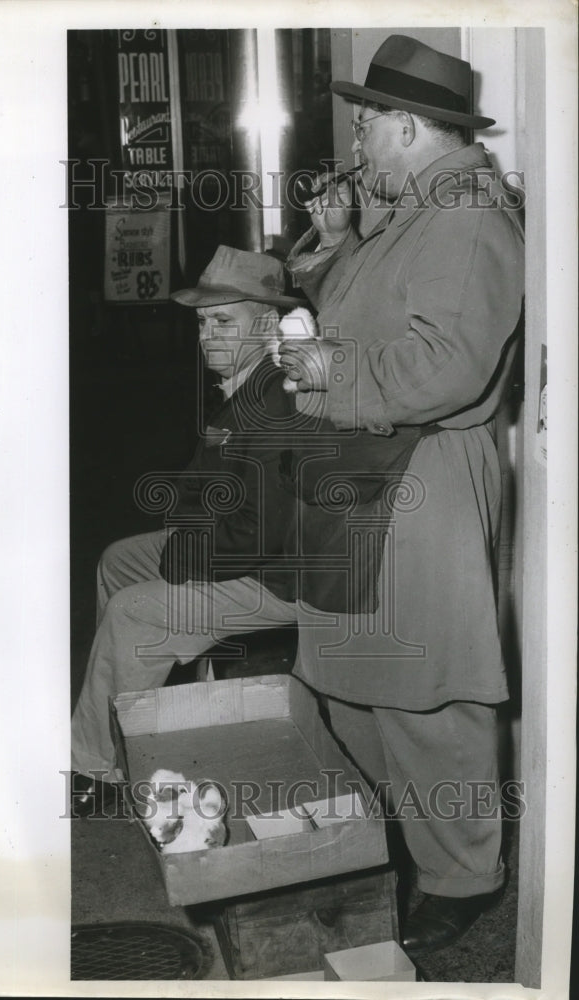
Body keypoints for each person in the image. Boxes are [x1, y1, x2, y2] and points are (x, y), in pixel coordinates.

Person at [277, 34, 525, 953]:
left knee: (425, 694)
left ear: (412, 126)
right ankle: (397, 853)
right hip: (373, 468)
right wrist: (334, 254)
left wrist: (324, 366)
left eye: (369, 120)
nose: (359, 138)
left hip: (420, 473)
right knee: (360, 681)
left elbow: (446, 367)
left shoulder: (463, 216)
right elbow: (374, 313)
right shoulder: (419, 209)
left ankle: (463, 879)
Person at [69, 245, 304, 817]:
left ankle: (95, 769)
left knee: (132, 609)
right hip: (235, 549)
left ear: (269, 324)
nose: (207, 334)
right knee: (119, 560)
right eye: (202, 321)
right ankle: (140, 715)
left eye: (224, 320)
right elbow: (205, 483)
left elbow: (260, 535)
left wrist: (183, 557)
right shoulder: (247, 384)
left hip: (283, 579)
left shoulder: (276, 399)